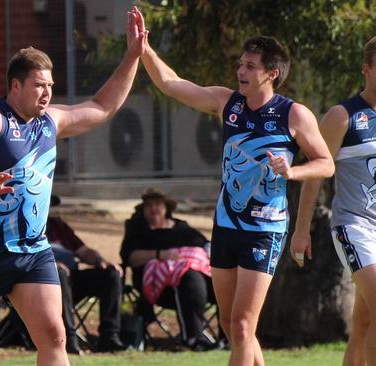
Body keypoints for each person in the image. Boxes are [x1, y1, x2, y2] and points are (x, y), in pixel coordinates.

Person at [0, 10, 145, 366]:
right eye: (39, 85)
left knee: (54, 335)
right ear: (16, 86)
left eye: (50, 86)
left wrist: (132, 56)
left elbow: (102, 107)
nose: (47, 92)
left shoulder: (50, 122)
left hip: (33, 250)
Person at [129, 7, 334, 365]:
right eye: (240, 64)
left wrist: (292, 172)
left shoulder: (294, 114)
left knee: (241, 325)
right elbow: (172, 84)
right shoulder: (228, 103)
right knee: (231, 324)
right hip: (226, 225)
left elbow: (326, 164)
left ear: (272, 73)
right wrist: (144, 49)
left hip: (264, 230)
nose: (240, 71)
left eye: (250, 66)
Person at [291, 36, 376, 366]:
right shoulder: (343, 116)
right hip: (355, 227)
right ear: (366, 69)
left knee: (364, 322)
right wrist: (302, 230)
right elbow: (316, 173)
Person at [120, 188, 218, 351]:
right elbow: (130, 257)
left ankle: (228, 337)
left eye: (157, 204)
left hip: (201, 285)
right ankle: (193, 338)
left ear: (166, 208)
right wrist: (159, 255)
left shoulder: (181, 228)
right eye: (148, 205)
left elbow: (206, 245)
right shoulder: (138, 231)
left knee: (223, 281)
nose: (153, 209)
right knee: (189, 276)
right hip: (158, 287)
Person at [46, 194, 127, 353]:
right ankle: (68, 339)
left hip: (72, 281)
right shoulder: (22, 226)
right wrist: (48, 265)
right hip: (43, 287)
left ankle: (109, 337)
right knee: (59, 274)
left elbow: (83, 251)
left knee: (110, 274)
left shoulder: (59, 226)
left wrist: (100, 260)